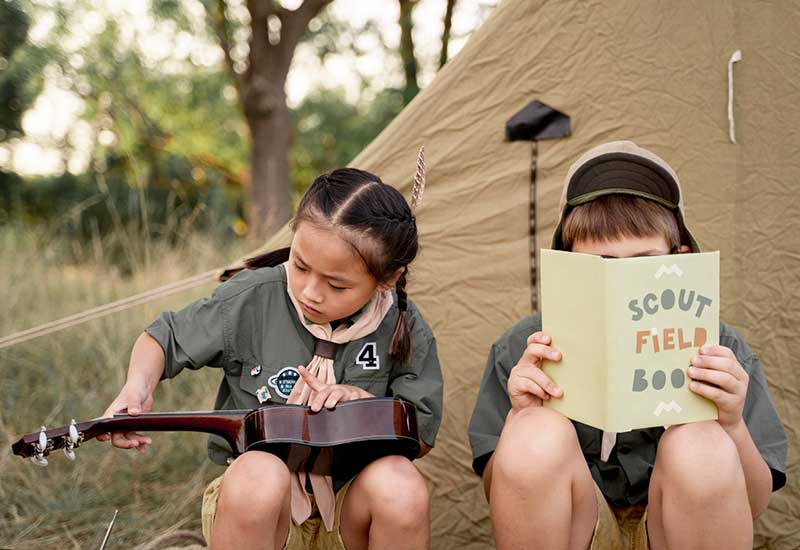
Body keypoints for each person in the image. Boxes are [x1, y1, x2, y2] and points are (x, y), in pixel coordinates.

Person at [100, 167, 443, 550]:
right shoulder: (254, 297)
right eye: (300, 266)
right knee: (259, 473)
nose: (310, 292)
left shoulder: (403, 324)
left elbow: (422, 434)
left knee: (402, 485)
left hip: (349, 516)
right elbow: (163, 339)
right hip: (260, 512)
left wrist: (365, 411)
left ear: (387, 279)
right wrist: (137, 386)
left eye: (336, 285)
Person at [468, 141, 787, 550]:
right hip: (575, 530)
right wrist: (520, 416)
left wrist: (731, 424)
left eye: (642, 261)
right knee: (535, 432)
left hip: (676, 531)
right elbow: (500, 494)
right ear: (570, 261)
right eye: (602, 263)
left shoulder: (721, 348)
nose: (622, 281)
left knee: (701, 443)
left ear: (679, 257)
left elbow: (755, 504)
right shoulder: (526, 347)